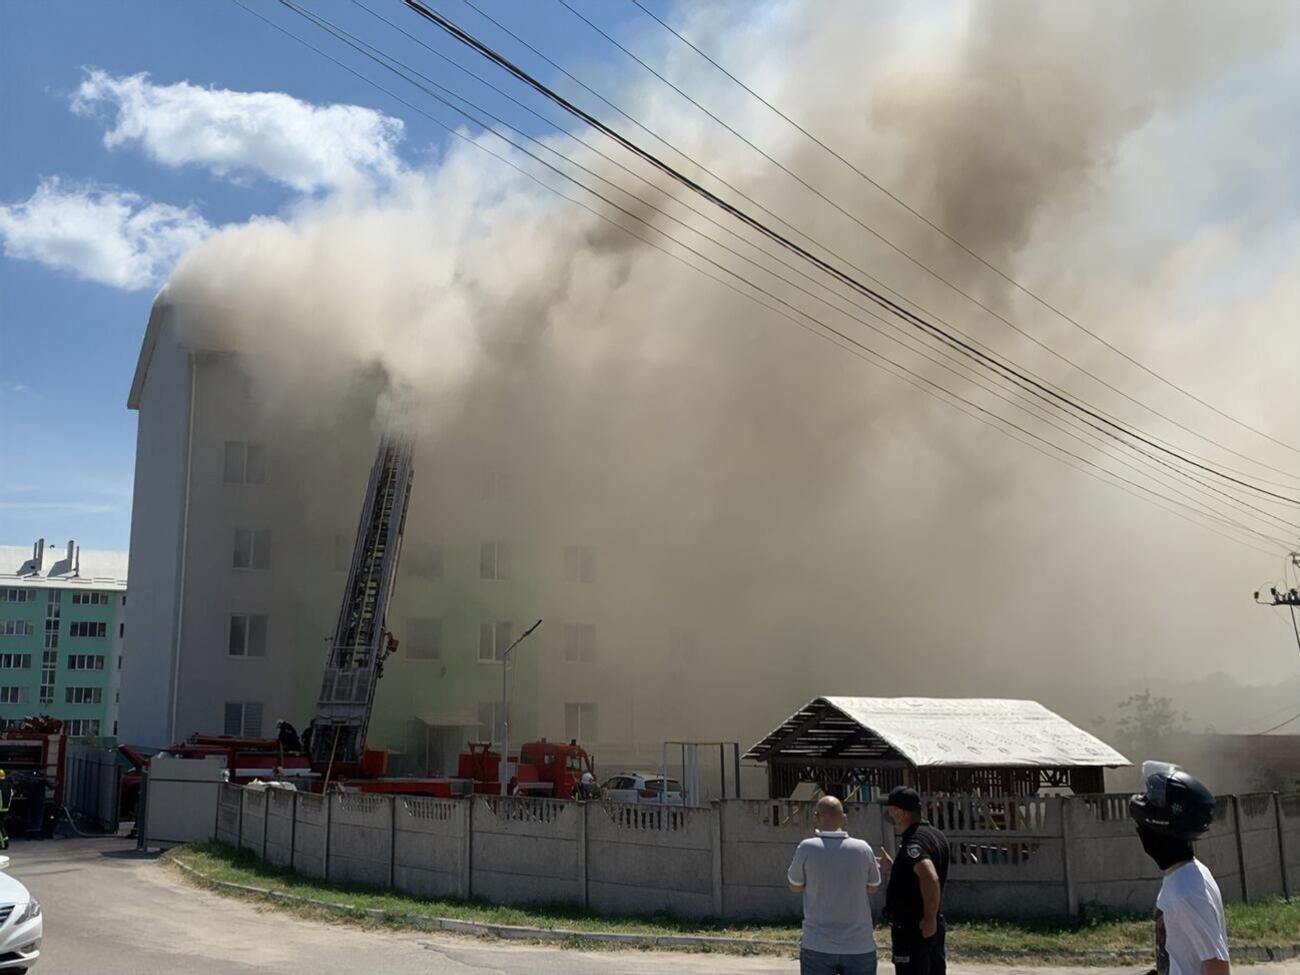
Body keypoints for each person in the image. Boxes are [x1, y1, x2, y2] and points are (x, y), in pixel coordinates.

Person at [1129, 761, 1229, 975]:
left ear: (1159, 831)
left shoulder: (1186, 892)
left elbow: (1218, 968)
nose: (1141, 834)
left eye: (1143, 828)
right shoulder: (1185, 874)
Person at [787, 795, 882, 975]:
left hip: (817, 944)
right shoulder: (863, 848)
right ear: (844, 818)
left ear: (816, 817)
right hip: (859, 944)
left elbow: (795, 885)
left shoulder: (807, 848)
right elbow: (873, 887)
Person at [877, 786, 948, 975]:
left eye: (891, 810)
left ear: (901, 812)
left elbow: (929, 876)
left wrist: (929, 918)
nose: (890, 815)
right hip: (929, 927)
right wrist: (896, 870)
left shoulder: (914, 842)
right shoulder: (936, 835)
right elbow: (917, 877)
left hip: (913, 928)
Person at [0, 770, 9, 850]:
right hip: (5, 809)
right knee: (1, 826)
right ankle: (4, 842)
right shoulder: (7, 785)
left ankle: (4, 844)